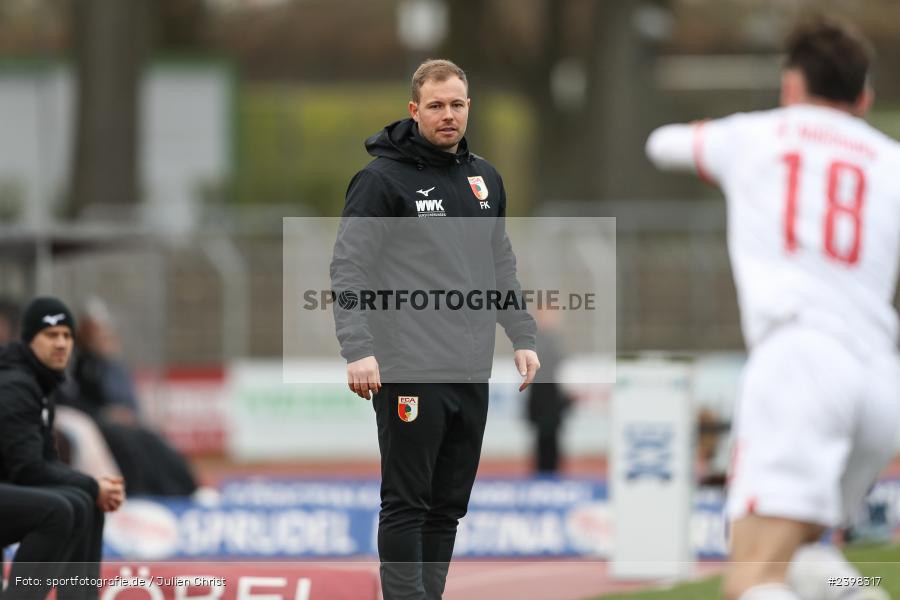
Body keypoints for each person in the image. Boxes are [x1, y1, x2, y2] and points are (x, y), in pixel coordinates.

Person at [646, 16, 899, 600]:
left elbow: (659, 144)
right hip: (879, 380)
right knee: (811, 558)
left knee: (751, 578)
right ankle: (858, 591)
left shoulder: (754, 135)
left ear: (790, 87)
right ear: (864, 97)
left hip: (800, 366)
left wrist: (714, 135)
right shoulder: (889, 160)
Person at [330, 59, 540, 600]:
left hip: (469, 367)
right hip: (408, 367)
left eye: (457, 104)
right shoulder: (380, 180)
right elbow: (348, 269)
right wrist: (359, 348)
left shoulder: (485, 179)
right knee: (408, 500)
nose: (448, 115)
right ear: (414, 110)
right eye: (436, 105)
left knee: (448, 504)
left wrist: (522, 334)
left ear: (469, 106)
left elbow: (500, 264)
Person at [0, 296, 125, 600]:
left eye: (67, 336)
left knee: (85, 502)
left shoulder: (40, 383)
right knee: (58, 510)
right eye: (51, 335)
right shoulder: (15, 385)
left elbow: (47, 463)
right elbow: (28, 469)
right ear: (30, 340)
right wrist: (91, 484)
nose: (61, 344)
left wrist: (91, 488)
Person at [525, 309, 571, 474]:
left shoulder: (552, 340)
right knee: (543, 445)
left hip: (551, 399)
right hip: (541, 399)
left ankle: (551, 475)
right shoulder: (537, 341)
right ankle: (543, 477)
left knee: (553, 445)